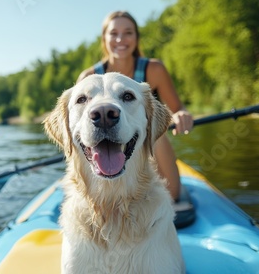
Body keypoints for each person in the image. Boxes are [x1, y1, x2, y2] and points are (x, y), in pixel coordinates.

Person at [77, 11, 193, 201]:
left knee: (155, 131)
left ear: (137, 38)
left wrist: (181, 115)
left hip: (148, 143)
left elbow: (178, 108)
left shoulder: (154, 70)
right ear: (104, 39)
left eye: (128, 32)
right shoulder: (88, 78)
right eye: (113, 33)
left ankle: (166, 189)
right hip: (101, 139)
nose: (120, 39)